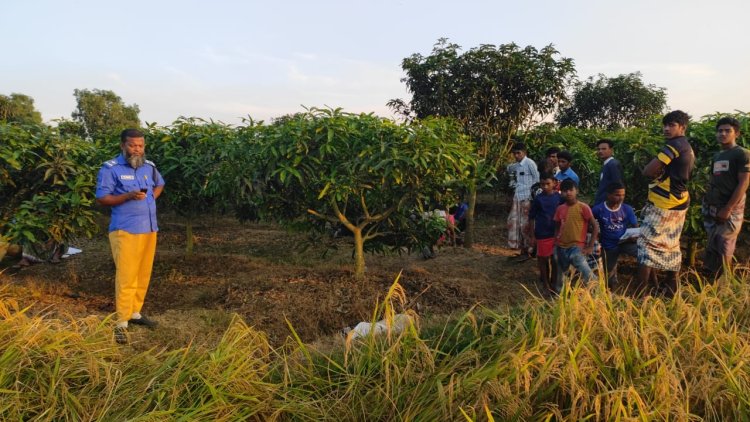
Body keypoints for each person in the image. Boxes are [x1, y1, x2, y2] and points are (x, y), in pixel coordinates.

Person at [96, 129, 165, 344]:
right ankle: (121, 322)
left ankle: (135, 312)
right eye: (132, 145)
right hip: (125, 229)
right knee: (126, 275)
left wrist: (149, 199)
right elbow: (102, 198)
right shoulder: (111, 169)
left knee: (143, 273)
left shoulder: (149, 167)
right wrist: (128, 196)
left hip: (149, 228)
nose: (137, 149)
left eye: (140, 145)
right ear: (123, 146)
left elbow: (160, 184)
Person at [637, 110, 695, 297]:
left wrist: (651, 168)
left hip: (665, 203)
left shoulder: (673, 146)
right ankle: (671, 290)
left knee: (646, 246)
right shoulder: (687, 146)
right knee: (671, 245)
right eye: (665, 125)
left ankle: (639, 295)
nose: (666, 128)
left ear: (682, 127)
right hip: (679, 201)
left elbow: (648, 171)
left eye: (672, 125)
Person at [702, 117, 750, 278]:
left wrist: (728, 208)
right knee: (713, 244)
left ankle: (726, 286)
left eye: (727, 130)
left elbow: (744, 183)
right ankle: (712, 284)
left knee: (725, 244)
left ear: (736, 133)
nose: (723, 134)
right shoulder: (718, 156)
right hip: (713, 206)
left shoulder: (742, 154)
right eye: (720, 131)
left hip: (730, 207)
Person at [553, 179, 598, 292]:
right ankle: (559, 297)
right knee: (561, 274)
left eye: (570, 190)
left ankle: (599, 292)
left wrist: (590, 246)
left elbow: (595, 227)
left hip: (576, 247)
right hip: (561, 247)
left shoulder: (583, 207)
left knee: (586, 272)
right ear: (561, 193)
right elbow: (557, 226)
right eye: (564, 191)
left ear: (576, 191)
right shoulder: (560, 209)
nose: (568, 193)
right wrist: (555, 243)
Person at [592, 182, 638, 288]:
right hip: (609, 245)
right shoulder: (598, 209)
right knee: (609, 277)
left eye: (623, 195)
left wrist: (634, 236)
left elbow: (636, 227)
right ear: (608, 195)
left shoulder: (627, 209)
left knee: (644, 255)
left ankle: (646, 283)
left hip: (626, 242)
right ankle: (611, 292)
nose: (621, 198)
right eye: (617, 195)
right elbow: (589, 225)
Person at [506, 142, 539, 260]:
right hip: (517, 197)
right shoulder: (516, 165)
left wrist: (533, 193)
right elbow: (509, 170)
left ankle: (530, 250)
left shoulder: (530, 163)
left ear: (524, 153)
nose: (516, 155)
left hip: (527, 198)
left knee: (525, 224)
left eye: (518, 153)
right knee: (515, 223)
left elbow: (537, 179)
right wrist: (513, 183)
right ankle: (521, 249)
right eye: (514, 153)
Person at [529, 173, 561, 295]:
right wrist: (533, 236)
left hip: (556, 234)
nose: (545, 186)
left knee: (555, 259)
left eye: (548, 184)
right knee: (543, 260)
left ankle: (554, 283)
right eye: (543, 184)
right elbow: (531, 217)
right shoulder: (538, 199)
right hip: (542, 233)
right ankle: (546, 285)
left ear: (554, 183)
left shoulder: (559, 198)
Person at [593, 139, 624, 205]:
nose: (600, 151)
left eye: (604, 149)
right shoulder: (606, 164)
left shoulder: (613, 165)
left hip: (608, 206)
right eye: (599, 149)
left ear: (611, 150)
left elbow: (618, 186)